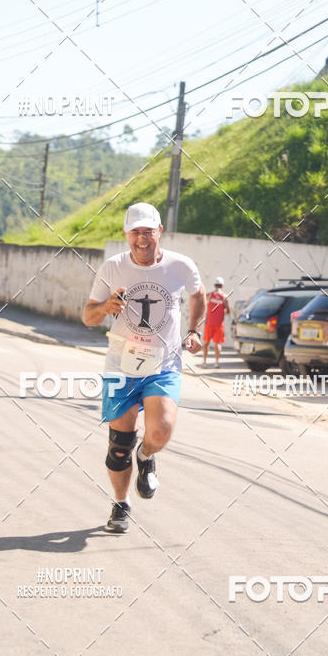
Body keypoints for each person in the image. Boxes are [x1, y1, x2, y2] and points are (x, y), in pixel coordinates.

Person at [82, 202, 206, 534]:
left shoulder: (181, 266)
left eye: (148, 232)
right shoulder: (112, 268)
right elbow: (88, 315)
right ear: (127, 235)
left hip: (162, 365)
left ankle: (147, 454)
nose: (142, 240)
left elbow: (198, 295)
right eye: (136, 233)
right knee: (118, 447)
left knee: (161, 431)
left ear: (159, 232)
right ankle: (121, 504)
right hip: (120, 365)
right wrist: (106, 306)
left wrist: (194, 330)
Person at [202, 276, 230, 368]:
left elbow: (203, 304)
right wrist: (221, 312)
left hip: (209, 323)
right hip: (219, 324)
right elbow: (228, 311)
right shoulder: (225, 297)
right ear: (222, 285)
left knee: (206, 343)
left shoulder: (209, 295)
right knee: (217, 344)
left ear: (214, 285)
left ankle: (204, 362)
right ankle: (216, 362)